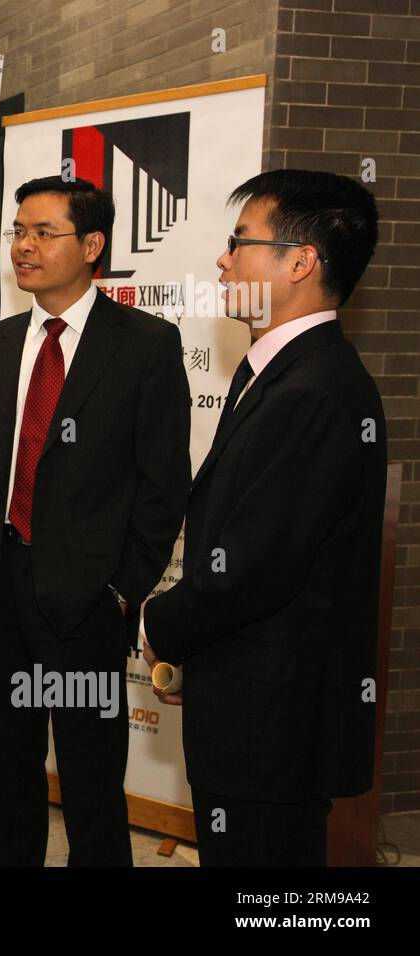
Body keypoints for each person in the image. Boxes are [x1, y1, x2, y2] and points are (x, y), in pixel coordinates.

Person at [0, 175, 191, 866]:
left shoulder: (144, 346)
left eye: (42, 232)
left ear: (92, 244)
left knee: (89, 782)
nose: (23, 246)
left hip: (87, 605)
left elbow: (163, 486)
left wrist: (122, 592)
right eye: (18, 231)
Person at [141, 170, 385, 867]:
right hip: (248, 706)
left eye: (240, 242)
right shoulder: (279, 372)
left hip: (274, 724)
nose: (223, 259)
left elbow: (254, 567)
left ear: (300, 261)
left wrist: (159, 625)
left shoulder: (316, 389)